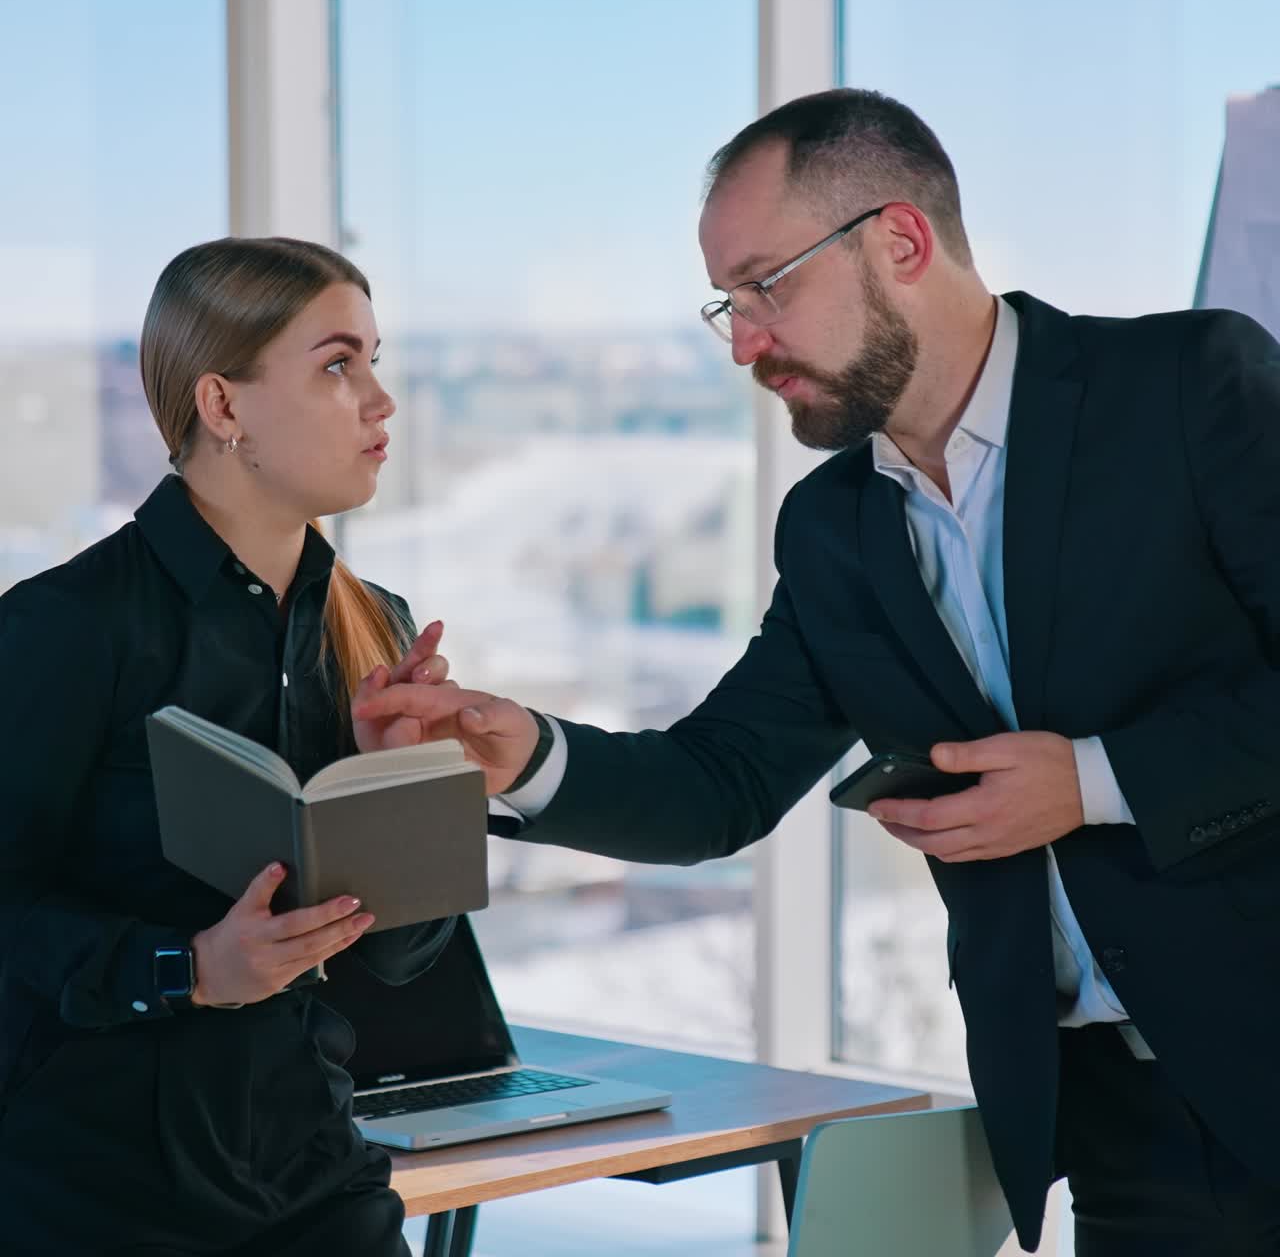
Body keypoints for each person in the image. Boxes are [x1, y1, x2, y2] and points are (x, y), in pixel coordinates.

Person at [353, 89, 1280, 1255]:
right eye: (725, 305)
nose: (742, 341)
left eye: (765, 286)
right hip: (1118, 1127)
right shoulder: (834, 526)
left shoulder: (1188, 387)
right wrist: (521, 752)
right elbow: (719, 780)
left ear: (899, 240)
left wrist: (1088, 782)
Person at [0, 236, 457, 1256]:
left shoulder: (375, 624)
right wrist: (189, 966)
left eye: (374, 360)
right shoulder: (66, 626)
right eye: (339, 365)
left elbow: (397, 955)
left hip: (317, 1180)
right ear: (223, 405)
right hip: (94, 1196)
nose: (380, 401)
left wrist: (402, 786)